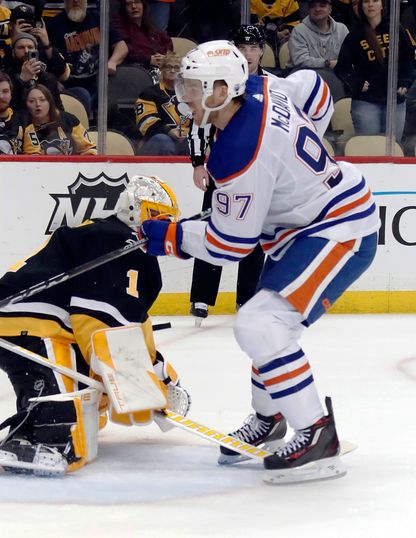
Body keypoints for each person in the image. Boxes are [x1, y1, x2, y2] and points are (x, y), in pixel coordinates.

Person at [141, 40, 378, 482]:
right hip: (304, 226)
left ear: (219, 90)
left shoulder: (240, 151)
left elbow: (229, 246)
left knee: (260, 325)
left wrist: (169, 236)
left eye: (192, 87)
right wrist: (295, 164)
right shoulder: (262, 85)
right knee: (266, 325)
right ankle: (273, 419)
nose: (183, 95)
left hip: (337, 228)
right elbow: (315, 90)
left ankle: (317, 435)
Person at [0, 175, 188, 475]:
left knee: (88, 396)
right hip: (27, 325)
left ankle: (62, 414)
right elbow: (101, 325)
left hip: (40, 323)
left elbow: (128, 325)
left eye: (167, 221)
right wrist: (136, 384)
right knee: (61, 426)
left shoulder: (116, 240)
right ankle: (33, 433)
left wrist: (162, 379)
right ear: (134, 209)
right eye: (156, 216)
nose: (162, 227)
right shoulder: (120, 241)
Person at [187, 24, 270, 324]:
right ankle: (201, 297)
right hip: (222, 169)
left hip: (259, 172)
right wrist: (198, 162)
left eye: (253, 48)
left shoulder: (273, 85)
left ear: (262, 50)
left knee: (255, 235)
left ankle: (247, 299)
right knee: (212, 226)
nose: (248, 54)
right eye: (242, 48)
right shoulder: (218, 81)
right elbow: (199, 122)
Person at [334, 0, 415, 141]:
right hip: (366, 102)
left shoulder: (396, 29)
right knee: (370, 149)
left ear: (382, 5)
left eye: (375, 0)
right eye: (366, 1)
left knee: (394, 149)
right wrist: (356, 83)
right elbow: (342, 67)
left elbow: (409, 60)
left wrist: (405, 82)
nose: (370, 4)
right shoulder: (354, 35)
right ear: (361, 6)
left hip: (395, 100)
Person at [46, 0, 129, 118]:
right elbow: (48, 58)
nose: (75, 1)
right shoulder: (54, 26)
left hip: (98, 80)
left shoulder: (98, 19)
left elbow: (122, 46)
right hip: (70, 84)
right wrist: (55, 81)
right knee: (83, 94)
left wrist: (112, 62)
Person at [134, 51, 191, 155]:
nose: (173, 70)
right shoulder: (149, 93)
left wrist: (187, 133)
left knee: (193, 142)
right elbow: (145, 122)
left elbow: (199, 120)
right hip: (156, 140)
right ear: (162, 70)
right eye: (168, 67)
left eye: (177, 68)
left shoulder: (190, 94)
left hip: (184, 137)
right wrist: (169, 131)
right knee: (163, 141)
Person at [22, 84, 96, 155]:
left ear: (49, 102)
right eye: (32, 101)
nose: (38, 104)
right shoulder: (24, 126)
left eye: (42, 100)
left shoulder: (68, 120)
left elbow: (88, 149)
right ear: (26, 105)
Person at [6, 32, 69, 115]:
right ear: (13, 51)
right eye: (21, 47)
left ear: (36, 51)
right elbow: (8, 108)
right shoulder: (6, 77)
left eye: (30, 47)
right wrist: (21, 80)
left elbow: (58, 109)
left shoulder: (47, 78)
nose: (26, 51)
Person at [287, 0, 349, 72]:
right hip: (306, 77)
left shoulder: (342, 29)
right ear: (308, 10)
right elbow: (300, 60)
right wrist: (327, 63)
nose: (317, 9)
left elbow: (350, 57)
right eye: (313, 6)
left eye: (322, 5)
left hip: (336, 76)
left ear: (330, 9)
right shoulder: (298, 31)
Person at [112, 0, 173, 69]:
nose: (133, 6)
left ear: (143, 5)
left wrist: (165, 57)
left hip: (158, 69)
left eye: (137, 2)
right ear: (124, 8)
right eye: (128, 4)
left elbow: (167, 42)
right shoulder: (120, 26)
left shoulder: (150, 28)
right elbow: (126, 50)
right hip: (135, 70)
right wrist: (148, 59)